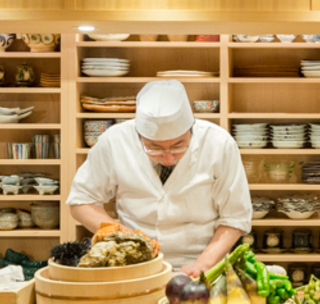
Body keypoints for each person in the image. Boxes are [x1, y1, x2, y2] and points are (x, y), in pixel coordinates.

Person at [67, 79, 252, 277]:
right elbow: (81, 201)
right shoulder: (114, 141)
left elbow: (235, 217)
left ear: (190, 129)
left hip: (202, 261)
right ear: (139, 136)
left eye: (178, 145)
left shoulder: (219, 144)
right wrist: (120, 234)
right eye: (154, 147)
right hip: (131, 265)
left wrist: (203, 265)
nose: (168, 158)